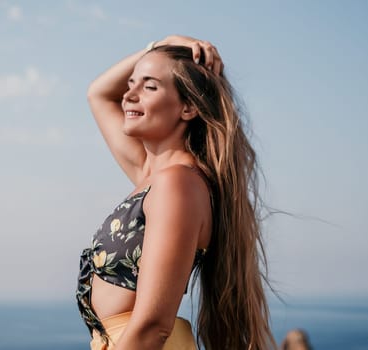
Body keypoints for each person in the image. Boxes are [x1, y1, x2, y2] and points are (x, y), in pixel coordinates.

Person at [76, 34, 274, 350]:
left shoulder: (177, 184)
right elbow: (98, 94)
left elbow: (153, 326)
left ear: (189, 107)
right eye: (131, 84)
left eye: (149, 86)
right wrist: (156, 46)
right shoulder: (151, 174)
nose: (129, 95)